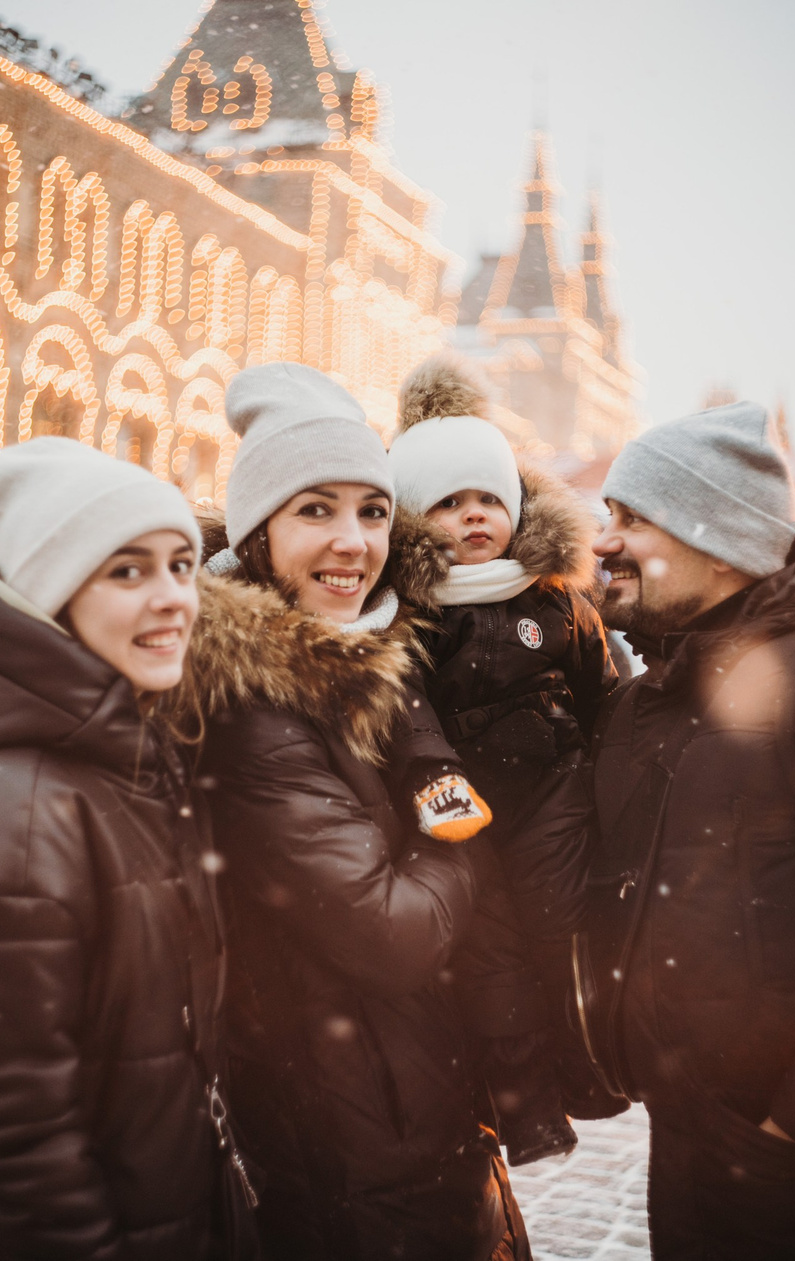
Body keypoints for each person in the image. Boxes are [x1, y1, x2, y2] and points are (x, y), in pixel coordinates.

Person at [176, 361, 521, 1260]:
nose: (352, 543)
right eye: (314, 510)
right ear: (257, 535)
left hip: (397, 1096)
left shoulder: (361, 659)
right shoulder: (258, 711)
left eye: (371, 511)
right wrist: (468, 840)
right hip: (348, 1129)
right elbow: (390, 929)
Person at [579, 402, 795, 1259]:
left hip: (788, 1162)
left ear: (713, 533)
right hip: (685, 1129)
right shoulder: (643, 702)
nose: (602, 540)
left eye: (631, 518)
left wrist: (793, 1123)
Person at [0, 437, 258, 1258]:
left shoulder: (136, 752)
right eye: (127, 570)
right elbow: (23, 1136)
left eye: (182, 565)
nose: (175, 597)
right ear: (49, 592)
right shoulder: (29, 806)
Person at [387, 354, 616, 1165]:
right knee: (493, 960)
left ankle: (589, 1071)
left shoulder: (551, 597)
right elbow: (402, 704)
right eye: (449, 503)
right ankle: (526, 1113)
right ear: (415, 518)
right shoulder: (410, 614)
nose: (474, 515)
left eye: (488, 498)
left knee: (561, 936)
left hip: (554, 793)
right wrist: (429, 774)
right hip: (465, 812)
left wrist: (604, 767)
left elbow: (603, 690)